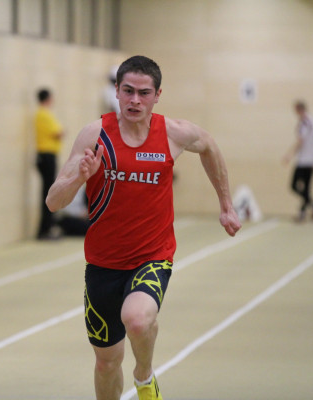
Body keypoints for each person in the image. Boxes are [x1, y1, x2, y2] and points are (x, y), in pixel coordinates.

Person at [46, 55, 241, 400]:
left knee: (136, 319)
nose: (135, 100)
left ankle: (144, 375)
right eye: (128, 91)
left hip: (151, 256)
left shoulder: (173, 133)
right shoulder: (95, 135)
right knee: (106, 363)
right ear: (117, 92)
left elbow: (209, 146)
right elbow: (53, 202)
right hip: (103, 264)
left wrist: (226, 204)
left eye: (144, 93)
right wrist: (79, 177)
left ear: (157, 95)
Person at [282, 100, 313, 221]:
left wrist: (289, 155)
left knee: (294, 186)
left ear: (299, 109)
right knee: (306, 188)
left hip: (304, 161)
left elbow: (300, 141)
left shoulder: (305, 122)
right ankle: (303, 212)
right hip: (311, 160)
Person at [34, 88, 64, 239]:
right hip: (47, 155)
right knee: (49, 194)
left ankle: (46, 228)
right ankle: (45, 229)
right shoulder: (44, 114)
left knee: (47, 192)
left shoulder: (42, 114)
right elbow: (58, 133)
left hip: (45, 156)